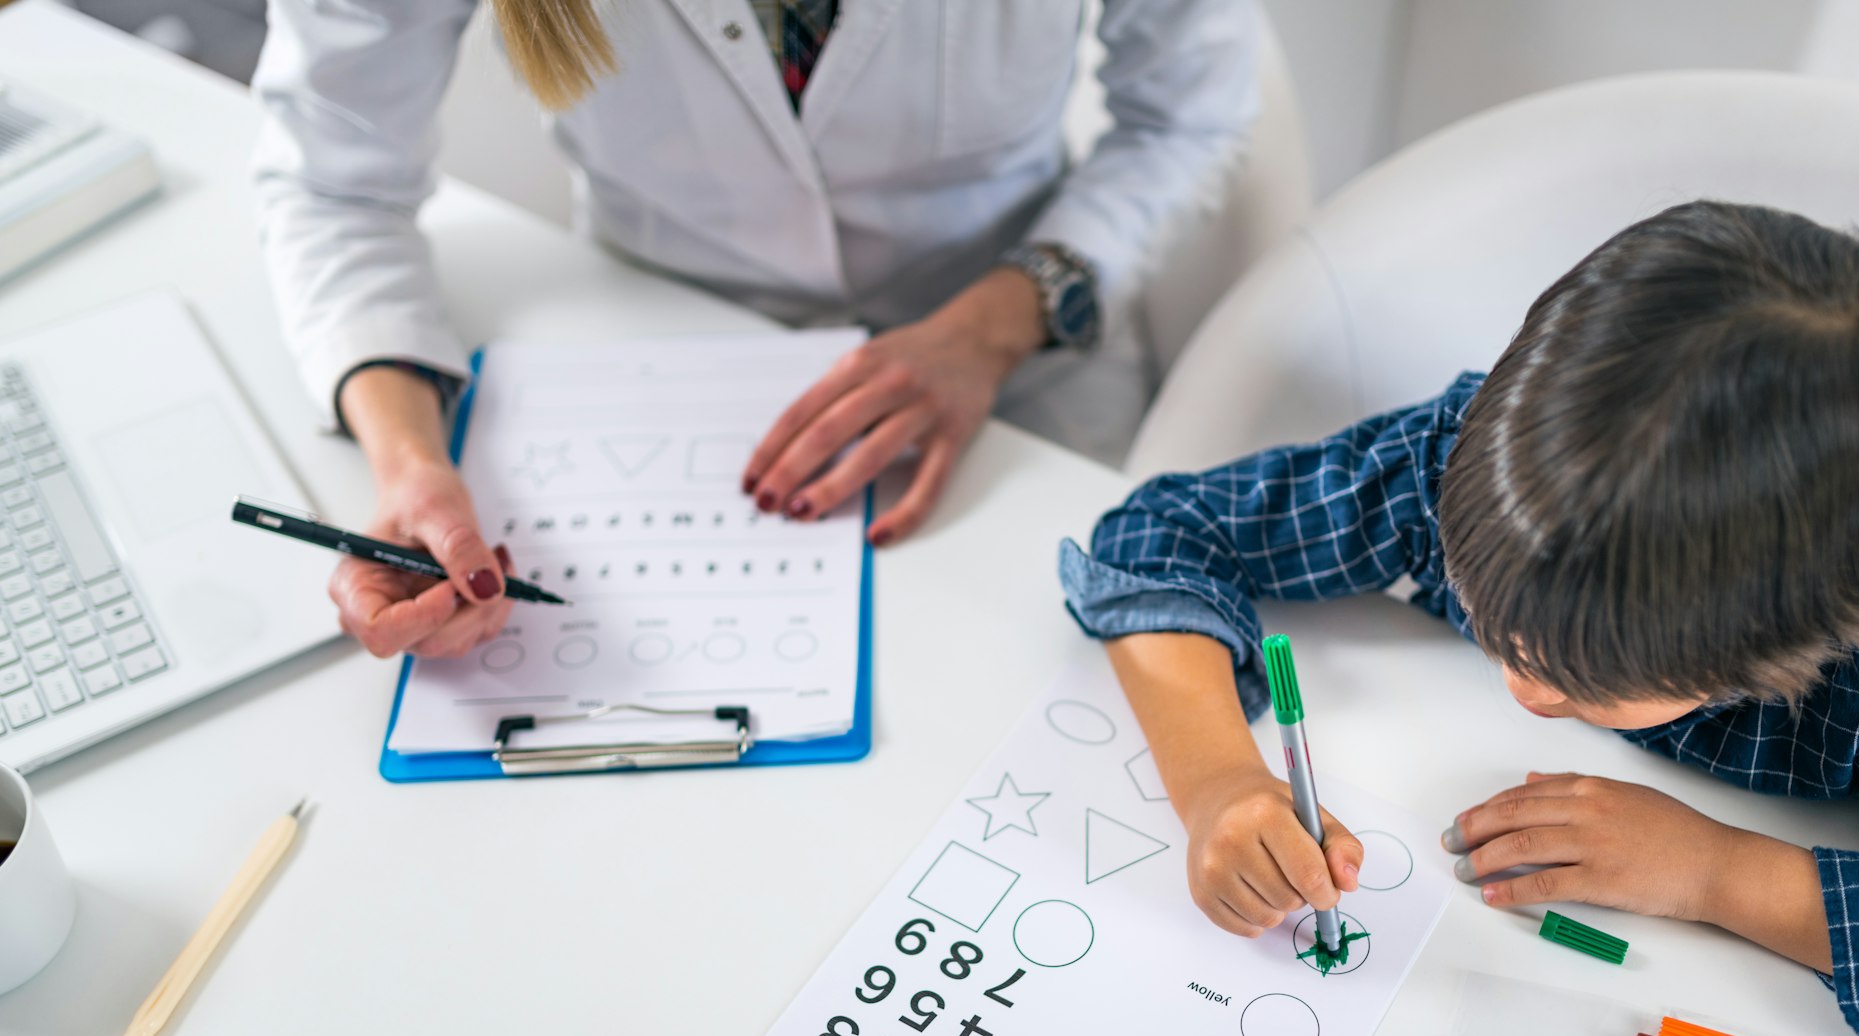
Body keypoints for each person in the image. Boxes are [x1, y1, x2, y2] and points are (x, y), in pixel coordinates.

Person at [1060, 200, 1859, 1036]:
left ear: (1786, 646)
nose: (1520, 688)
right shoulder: (1478, 465)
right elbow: (1159, 539)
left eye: (1575, 675)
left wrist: (1711, 870)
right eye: (1492, 619)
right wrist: (1216, 781)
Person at [251, 0, 1258, 659]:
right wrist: (408, 465)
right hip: (662, 365)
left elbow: (1187, 119)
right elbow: (332, 187)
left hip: (1021, 366)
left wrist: (994, 325)